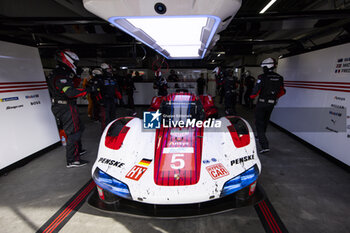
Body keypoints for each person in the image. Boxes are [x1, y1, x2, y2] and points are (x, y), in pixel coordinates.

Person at [47, 50, 89, 168]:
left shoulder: (62, 72)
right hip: (65, 106)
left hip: (65, 105)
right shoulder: (60, 75)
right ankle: (73, 160)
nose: (76, 65)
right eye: (75, 62)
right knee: (74, 132)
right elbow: (70, 92)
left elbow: (70, 87)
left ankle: (77, 150)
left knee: (79, 127)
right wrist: (87, 90)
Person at [250, 58, 286, 154]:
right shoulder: (279, 77)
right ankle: (260, 136)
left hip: (262, 103)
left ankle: (264, 145)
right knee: (265, 121)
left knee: (259, 123)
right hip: (271, 104)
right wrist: (274, 97)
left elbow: (255, 91)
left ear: (266, 66)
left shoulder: (262, 77)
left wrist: (251, 97)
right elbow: (282, 91)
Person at [99, 63, 122, 131]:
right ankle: (105, 132)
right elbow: (97, 92)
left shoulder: (113, 79)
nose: (110, 71)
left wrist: (120, 99)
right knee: (105, 118)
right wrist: (101, 101)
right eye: (108, 70)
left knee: (113, 116)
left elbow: (116, 89)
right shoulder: (100, 79)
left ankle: (112, 130)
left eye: (110, 70)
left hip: (112, 100)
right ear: (104, 70)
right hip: (104, 101)